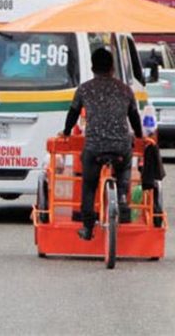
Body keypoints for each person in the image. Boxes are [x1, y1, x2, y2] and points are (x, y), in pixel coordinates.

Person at [60, 48, 143, 241]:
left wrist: (65, 132)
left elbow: (72, 114)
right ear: (112, 67)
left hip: (94, 146)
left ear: (92, 67)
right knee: (124, 165)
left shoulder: (84, 89)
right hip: (121, 144)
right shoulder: (125, 89)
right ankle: (122, 196)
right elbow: (134, 117)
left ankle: (88, 227)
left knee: (89, 185)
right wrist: (138, 135)